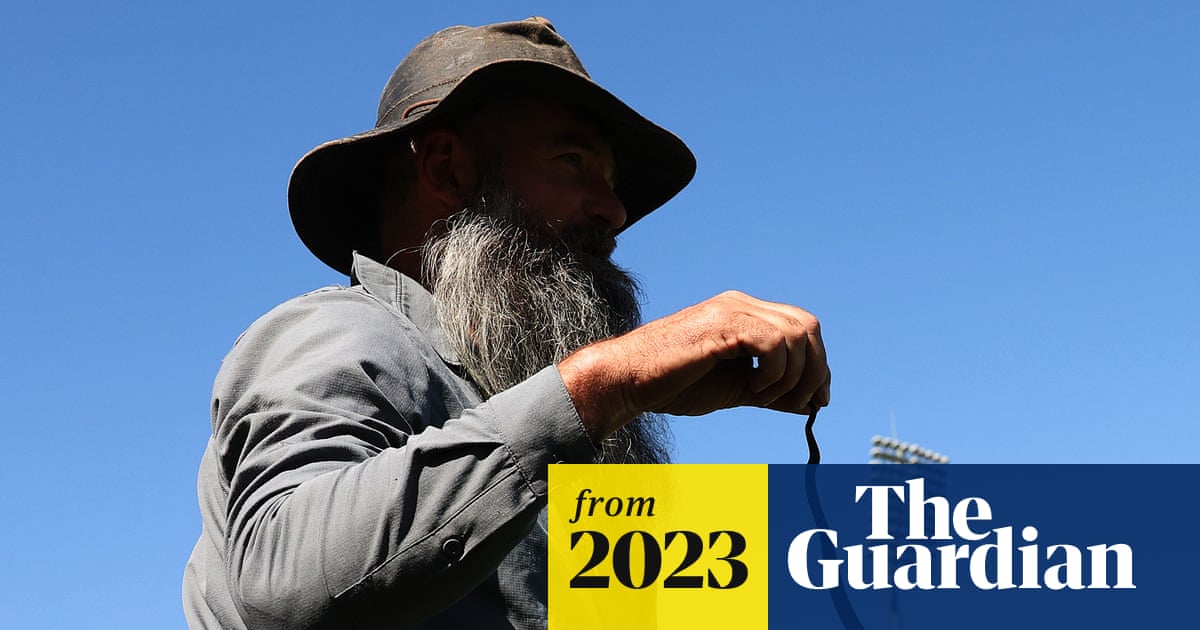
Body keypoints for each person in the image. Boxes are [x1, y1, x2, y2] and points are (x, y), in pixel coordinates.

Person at [183, 16, 830, 630]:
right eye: (572, 161)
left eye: (610, 180)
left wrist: (848, 552)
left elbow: (661, 587)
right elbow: (285, 583)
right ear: (448, 169)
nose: (614, 210)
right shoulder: (342, 334)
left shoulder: (507, 403)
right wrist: (609, 380)